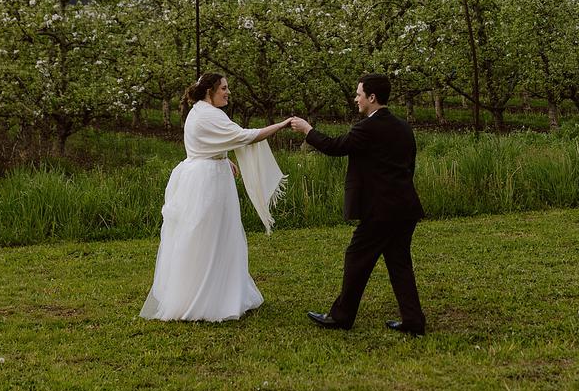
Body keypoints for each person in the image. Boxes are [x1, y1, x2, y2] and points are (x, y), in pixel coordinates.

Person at [140, 73, 292, 322]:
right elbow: (245, 136)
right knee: (209, 236)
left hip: (206, 173)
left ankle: (219, 291)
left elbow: (207, 142)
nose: (228, 92)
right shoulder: (210, 114)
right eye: (223, 88)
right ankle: (207, 300)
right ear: (209, 91)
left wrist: (223, 157)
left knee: (215, 234)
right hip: (207, 181)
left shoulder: (199, 111)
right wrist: (281, 125)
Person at [288, 73, 426, 335]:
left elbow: (335, 147)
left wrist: (308, 130)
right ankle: (413, 321)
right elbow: (409, 165)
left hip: (380, 211)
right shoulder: (403, 126)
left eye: (358, 94)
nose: (355, 98)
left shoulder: (367, 127)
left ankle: (341, 316)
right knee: (399, 264)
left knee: (356, 259)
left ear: (372, 98)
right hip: (405, 207)